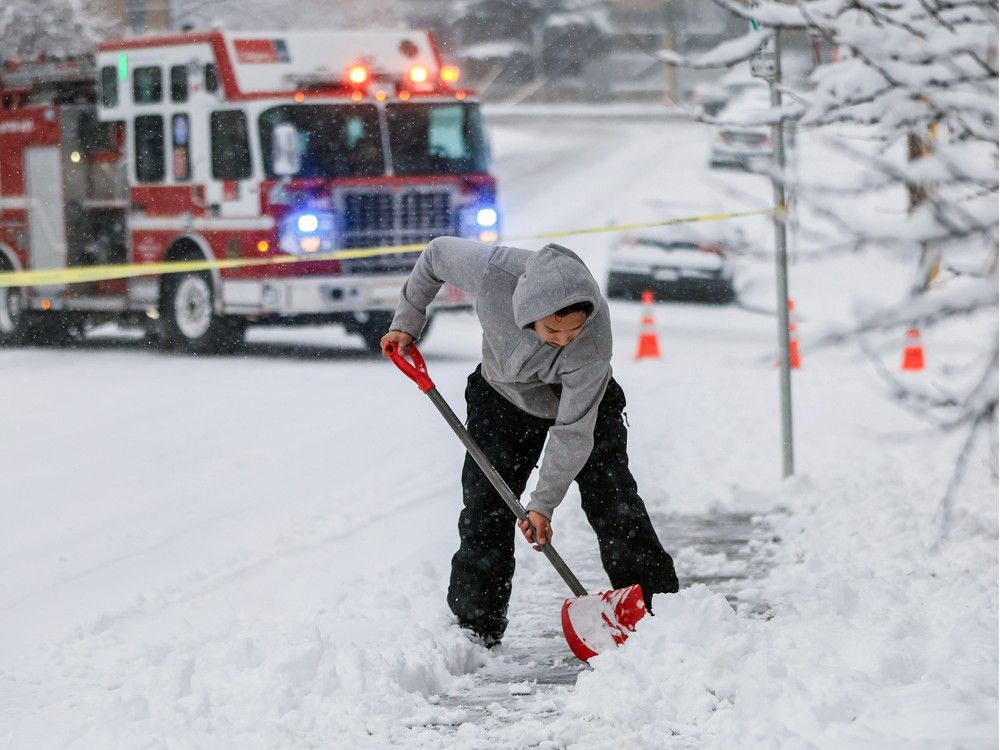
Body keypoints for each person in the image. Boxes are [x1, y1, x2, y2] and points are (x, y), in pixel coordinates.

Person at [381, 236, 679, 647]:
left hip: (579, 404)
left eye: (572, 331)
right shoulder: (492, 273)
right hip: (502, 398)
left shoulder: (591, 344)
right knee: (485, 509)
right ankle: (475, 626)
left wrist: (542, 506)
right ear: (529, 312)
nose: (563, 340)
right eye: (553, 329)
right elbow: (434, 257)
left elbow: (573, 432)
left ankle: (660, 610)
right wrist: (405, 322)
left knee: (613, 501)